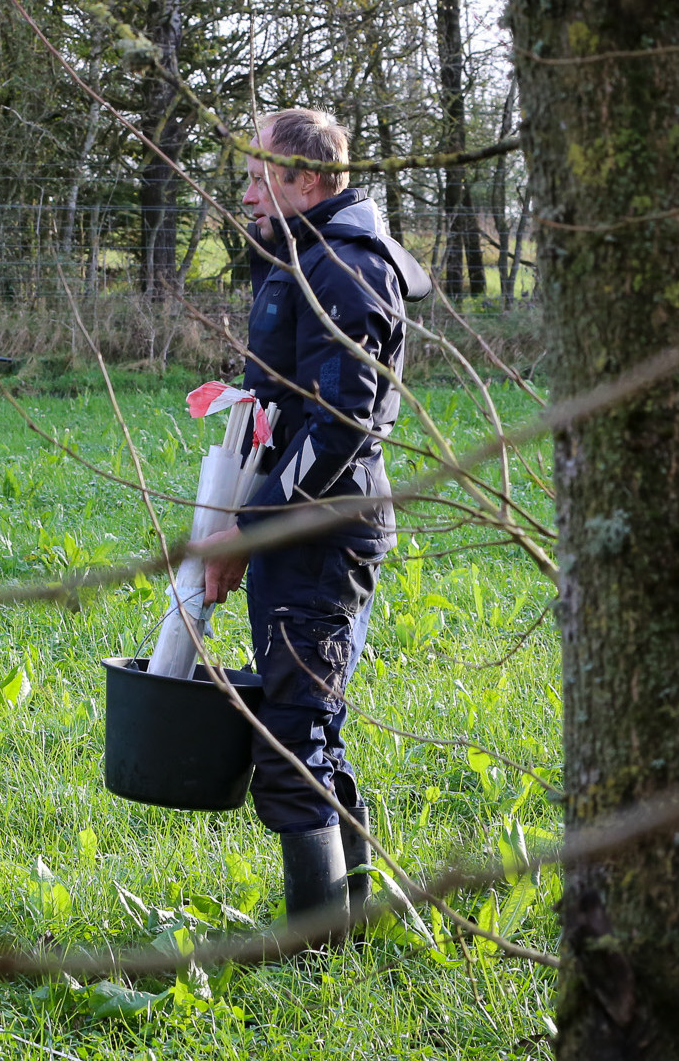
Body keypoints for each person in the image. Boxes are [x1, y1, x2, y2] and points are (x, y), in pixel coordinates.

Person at [202, 109, 425, 930]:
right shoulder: (305, 253)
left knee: (291, 739)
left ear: (308, 180)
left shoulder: (343, 268)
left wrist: (253, 531)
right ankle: (345, 917)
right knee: (307, 727)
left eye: (261, 177)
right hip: (301, 529)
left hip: (324, 536)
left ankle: (315, 950)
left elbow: (342, 425)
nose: (249, 194)